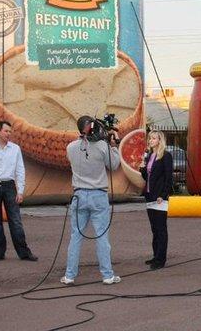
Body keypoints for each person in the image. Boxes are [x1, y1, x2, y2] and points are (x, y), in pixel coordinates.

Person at [61, 115, 122, 285]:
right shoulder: (102, 146)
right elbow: (114, 164)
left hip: (79, 195)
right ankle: (107, 275)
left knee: (76, 236)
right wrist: (113, 146)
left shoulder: (71, 147)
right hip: (98, 195)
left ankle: (70, 276)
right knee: (102, 236)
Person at [0, 121, 37, 262]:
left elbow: (20, 170)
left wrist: (20, 191)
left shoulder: (15, 149)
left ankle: (24, 252)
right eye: (6, 131)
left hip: (10, 186)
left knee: (15, 221)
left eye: (10, 132)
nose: (8, 134)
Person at [139, 130, 173, 270]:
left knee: (161, 229)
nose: (151, 140)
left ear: (160, 140)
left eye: (154, 138)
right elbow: (148, 178)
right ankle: (155, 255)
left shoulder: (166, 155)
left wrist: (163, 195)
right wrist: (142, 169)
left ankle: (161, 259)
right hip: (150, 196)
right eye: (150, 138)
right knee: (154, 229)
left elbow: (168, 177)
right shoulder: (150, 156)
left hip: (160, 198)